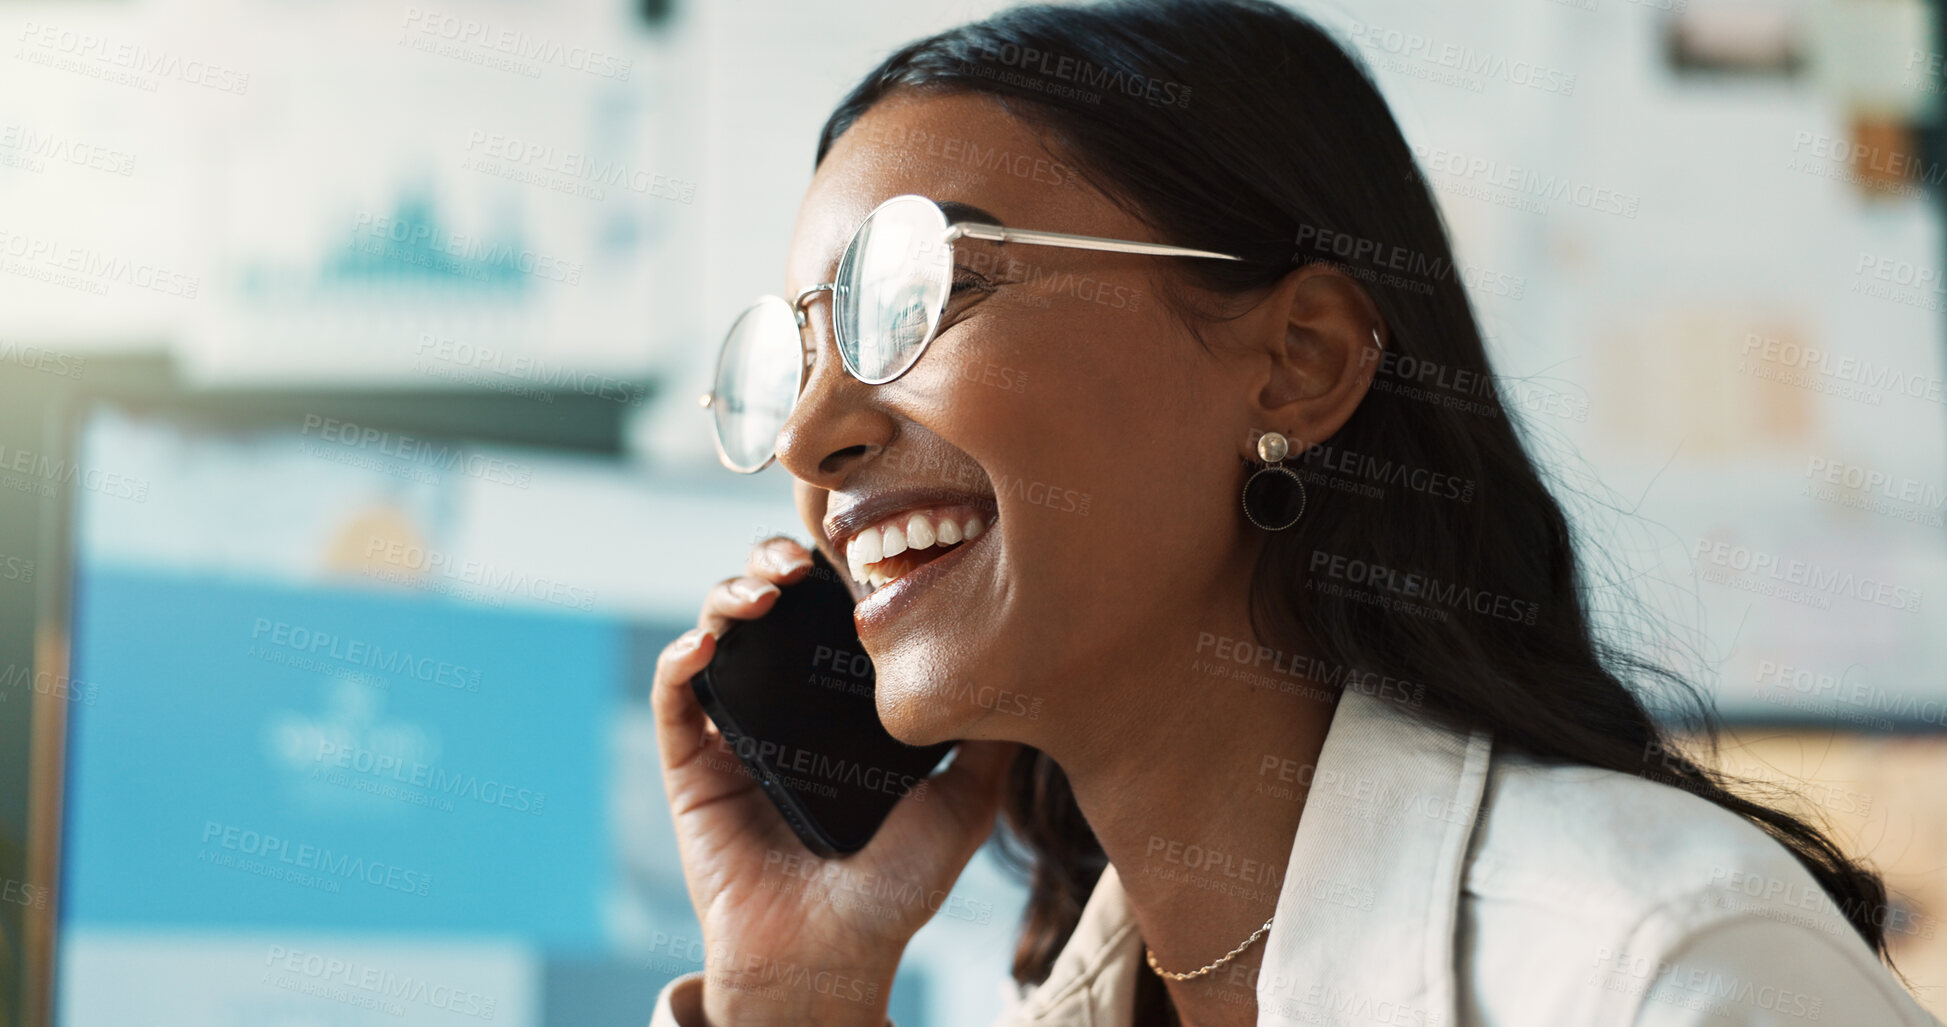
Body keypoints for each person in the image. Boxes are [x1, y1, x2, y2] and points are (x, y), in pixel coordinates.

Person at [649, 1, 1943, 1023]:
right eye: (802, 350)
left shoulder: (1654, 973)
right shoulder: (1073, 999)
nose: (816, 438)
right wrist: (798, 1007)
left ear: (1301, 360)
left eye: (923, 298)